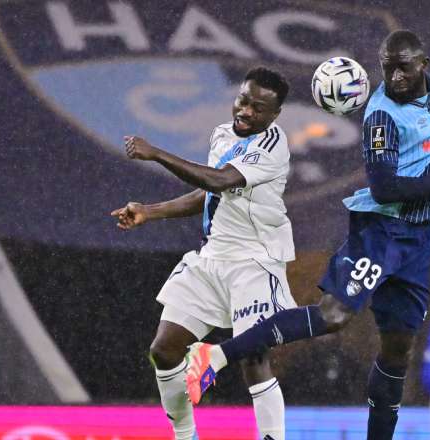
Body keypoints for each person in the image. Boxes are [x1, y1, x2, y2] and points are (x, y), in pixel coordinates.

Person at [185, 30, 430, 439]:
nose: (394, 76)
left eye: (403, 68)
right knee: (335, 315)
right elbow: (385, 188)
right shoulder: (380, 117)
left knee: (398, 350)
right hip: (381, 229)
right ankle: (215, 355)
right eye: (387, 67)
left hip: (419, 237)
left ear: (424, 66)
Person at [111, 67, 295, 440]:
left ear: (274, 116)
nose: (246, 111)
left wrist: (156, 154)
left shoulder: (273, 148)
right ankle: (185, 436)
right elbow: (209, 193)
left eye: (258, 108)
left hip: (255, 263)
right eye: (243, 100)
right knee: (164, 351)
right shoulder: (223, 134)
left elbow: (220, 179)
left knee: (254, 358)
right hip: (212, 259)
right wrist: (150, 211)